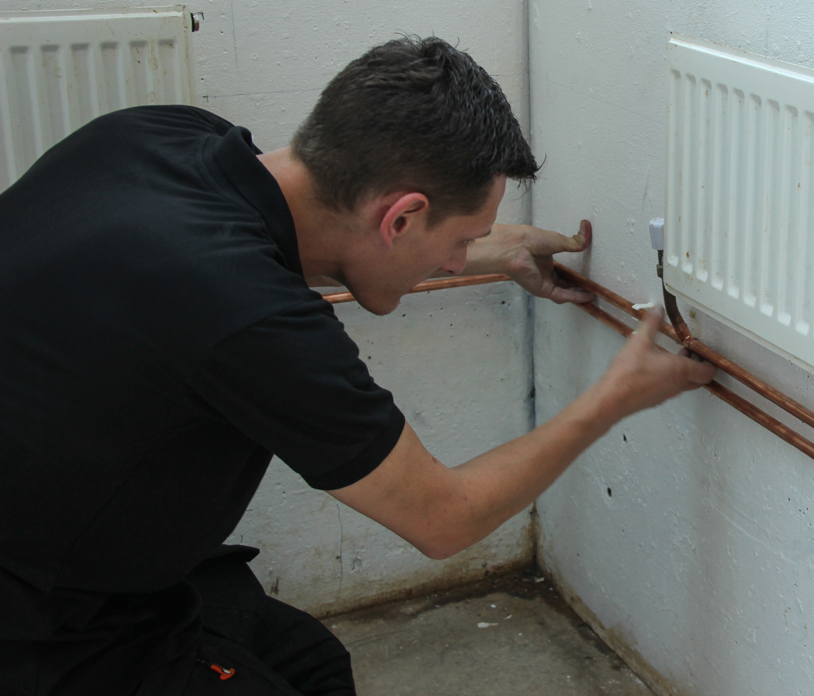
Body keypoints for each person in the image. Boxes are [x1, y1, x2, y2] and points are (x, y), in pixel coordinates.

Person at [0, 36, 716, 695]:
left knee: (311, 664)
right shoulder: (250, 315)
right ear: (399, 218)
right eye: (459, 240)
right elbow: (443, 518)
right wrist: (613, 397)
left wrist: (488, 248)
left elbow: (268, 263)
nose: (457, 261)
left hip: (76, 554)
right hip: (46, 628)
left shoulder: (157, 135)